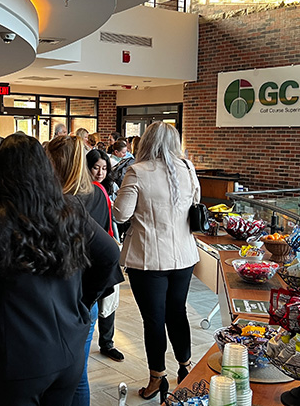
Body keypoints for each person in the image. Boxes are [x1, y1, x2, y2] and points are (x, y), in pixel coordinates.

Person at [0, 133, 122, 406]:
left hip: (13, 361)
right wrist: (81, 304)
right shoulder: (68, 208)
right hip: (67, 353)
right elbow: (109, 254)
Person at [112, 122, 201, 400]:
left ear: (146, 142)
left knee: (154, 320)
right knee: (177, 312)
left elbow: (120, 215)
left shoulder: (137, 171)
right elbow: (195, 202)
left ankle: (157, 378)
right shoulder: (187, 168)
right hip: (184, 256)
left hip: (147, 259)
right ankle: (186, 368)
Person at [45, 135, 121, 405]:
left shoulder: (64, 201)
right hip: (79, 299)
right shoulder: (96, 192)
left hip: (68, 298)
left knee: (68, 377)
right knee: (76, 373)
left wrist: (86, 295)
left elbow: (110, 252)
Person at [85, 149, 124, 363]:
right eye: (95, 167)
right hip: (94, 252)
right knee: (97, 299)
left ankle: (107, 343)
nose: (100, 172)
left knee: (109, 301)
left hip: (107, 247)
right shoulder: (85, 191)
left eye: (104, 168)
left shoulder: (104, 188)